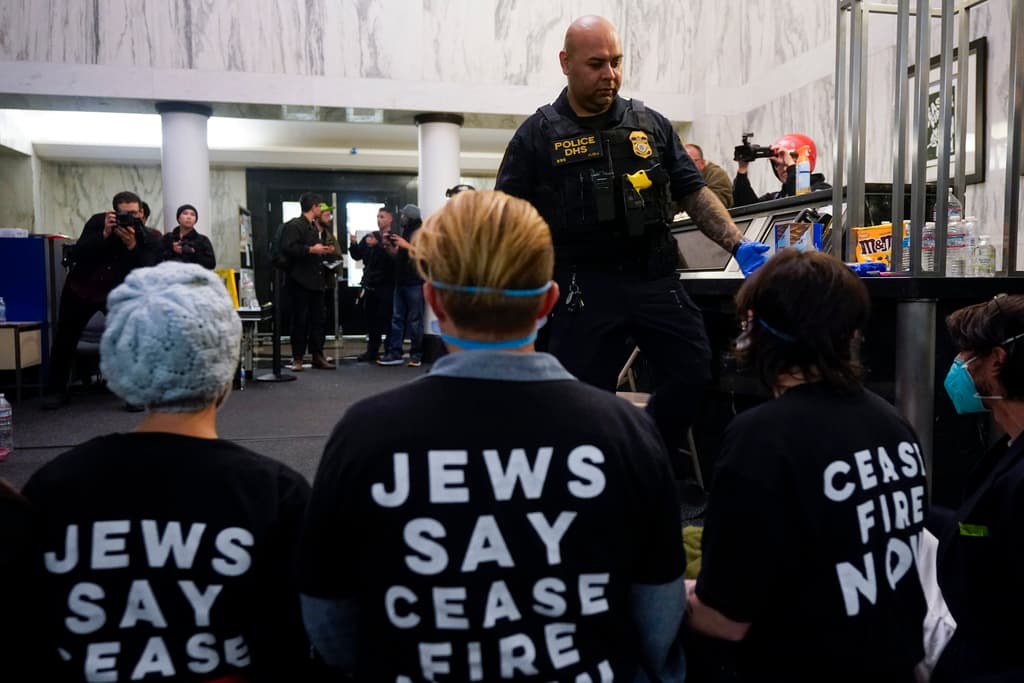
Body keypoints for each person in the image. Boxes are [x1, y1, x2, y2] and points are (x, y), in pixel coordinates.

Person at [298, 189, 687, 682]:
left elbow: (329, 622)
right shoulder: (625, 432)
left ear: (433, 301)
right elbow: (657, 617)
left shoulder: (364, 435)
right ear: (549, 300)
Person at [22, 262, 315, 681]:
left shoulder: (53, 489)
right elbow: (303, 637)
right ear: (222, 364)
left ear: (123, 362)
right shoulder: (276, 495)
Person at [495, 15, 767, 461]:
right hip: (582, 286)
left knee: (693, 370)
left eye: (616, 62)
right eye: (596, 64)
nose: (610, 74)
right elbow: (506, 217)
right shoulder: (536, 136)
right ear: (565, 63)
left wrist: (737, 244)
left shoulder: (651, 125)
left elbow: (693, 191)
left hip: (654, 278)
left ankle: (642, 454)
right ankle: (591, 473)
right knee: (581, 398)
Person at [685, 249, 927, 680]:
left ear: (752, 328)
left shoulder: (763, 438)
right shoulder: (893, 424)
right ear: (851, 334)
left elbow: (725, 620)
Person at [930, 294, 1024, 681]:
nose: (958, 365)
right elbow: (982, 524)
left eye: (967, 354)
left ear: (997, 360)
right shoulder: (1010, 446)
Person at [42, 190, 155, 409]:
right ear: (113, 212)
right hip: (80, 289)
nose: (128, 218)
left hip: (115, 294)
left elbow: (148, 267)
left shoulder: (148, 236)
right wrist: (104, 233)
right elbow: (78, 253)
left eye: (133, 213)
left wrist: (132, 245)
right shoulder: (98, 222)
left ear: (141, 212)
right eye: (123, 214)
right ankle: (56, 391)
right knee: (65, 338)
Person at [280, 192, 336, 371]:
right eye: (320, 206)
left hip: (317, 281)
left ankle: (317, 355)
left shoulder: (313, 227)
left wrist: (323, 250)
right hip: (300, 281)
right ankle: (297, 357)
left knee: (318, 320)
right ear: (314, 207)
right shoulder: (294, 225)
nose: (322, 210)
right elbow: (288, 247)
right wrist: (311, 249)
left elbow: (313, 249)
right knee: (300, 320)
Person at [377, 204, 425, 367]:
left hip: (415, 281)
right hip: (401, 281)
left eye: (404, 215)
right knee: (397, 319)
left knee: (415, 320)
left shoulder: (421, 232)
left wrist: (406, 245)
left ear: (410, 217)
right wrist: (388, 245)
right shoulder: (406, 232)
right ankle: (395, 352)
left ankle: (416, 354)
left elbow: (425, 254)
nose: (402, 218)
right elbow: (398, 256)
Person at [349, 206, 396, 362]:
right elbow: (357, 255)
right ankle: (372, 350)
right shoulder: (370, 236)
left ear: (390, 219)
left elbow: (394, 258)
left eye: (382, 217)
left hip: (387, 284)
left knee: (388, 319)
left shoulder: (394, 238)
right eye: (377, 216)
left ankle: (390, 350)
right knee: (371, 319)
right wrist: (353, 244)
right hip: (370, 284)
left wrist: (378, 245)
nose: (379, 220)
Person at [732, 133, 830, 207]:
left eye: (790, 162)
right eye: (778, 164)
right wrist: (742, 170)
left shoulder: (823, 191)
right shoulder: (776, 197)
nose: (784, 169)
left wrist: (791, 166)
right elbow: (746, 208)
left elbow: (801, 202)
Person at [315, 203, 345, 360]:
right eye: (327, 215)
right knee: (304, 319)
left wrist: (331, 254)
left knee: (321, 319)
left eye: (330, 215)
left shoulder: (329, 236)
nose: (330, 218)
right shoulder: (308, 234)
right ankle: (299, 355)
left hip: (326, 283)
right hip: (308, 282)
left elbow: (339, 256)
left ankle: (318, 354)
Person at [159, 203, 216, 269]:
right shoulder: (168, 238)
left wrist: (192, 253)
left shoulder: (202, 240)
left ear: (195, 220)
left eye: (192, 215)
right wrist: (172, 250)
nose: (189, 217)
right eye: (185, 213)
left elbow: (211, 264)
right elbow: (157, 258)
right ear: (178, 218)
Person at [686, 143, 733, 209]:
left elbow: (718, 204)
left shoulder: (717, 175)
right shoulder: (682, 177)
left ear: (702, 163)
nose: (686, 166)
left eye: (690, 162)